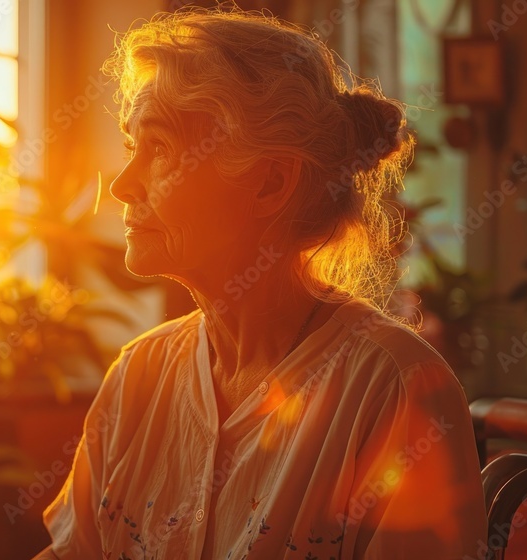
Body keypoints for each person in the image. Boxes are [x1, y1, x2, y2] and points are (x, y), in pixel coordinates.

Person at [34, 6, 487, 559]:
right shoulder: (138, 375)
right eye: (133, 147)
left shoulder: (396, 390)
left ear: (271, 182)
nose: (123, 185)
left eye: (159, 149)